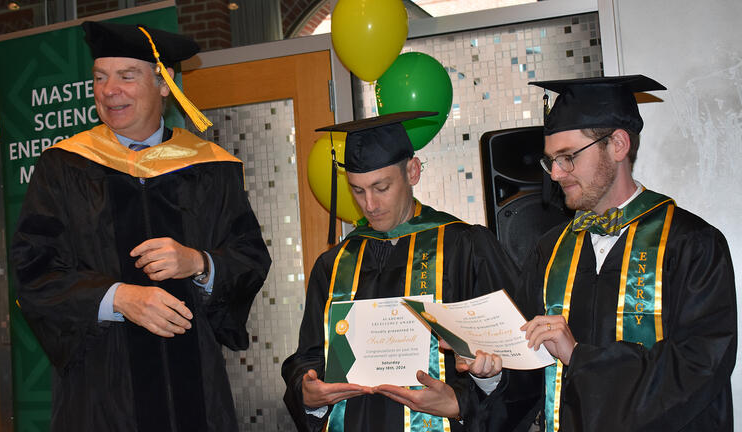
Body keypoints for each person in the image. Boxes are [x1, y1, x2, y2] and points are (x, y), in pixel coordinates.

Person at [10, 21, 271, 432]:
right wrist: (118, 298)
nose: (109, 89)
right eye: (100, 77)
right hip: (100, 395)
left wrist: (200, 263)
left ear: (164, 84)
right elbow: (34, 273)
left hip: (195, 393)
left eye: (126, 76)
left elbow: (250, 258)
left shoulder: (210, 167)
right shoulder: (64, 167)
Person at [467, 75, 737, 431]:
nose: (557, 174)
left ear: (618, 145)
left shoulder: (690, 243)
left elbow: (698, 369)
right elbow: (532, 382)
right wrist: (489, 374)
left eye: (567, 157)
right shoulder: (550, 252)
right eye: (551, 161)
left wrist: (578, 356)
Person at [281, 111, 522, 431]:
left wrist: (461, 402)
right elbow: (309, 357)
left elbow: (521, 363)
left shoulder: (465, 248)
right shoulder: (335, 264)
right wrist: (307, 394)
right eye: (357, 190)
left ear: (412, 171)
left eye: (381, 187)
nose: (369, 205)